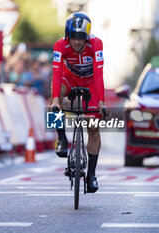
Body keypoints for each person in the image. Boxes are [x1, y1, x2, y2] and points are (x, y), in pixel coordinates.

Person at [49, 12, 106, 193]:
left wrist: (102, 102)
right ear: (68, 35)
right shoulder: (60, 45)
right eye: (73, 37)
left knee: (93, 128)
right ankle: (61, 139)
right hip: (70, 79)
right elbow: (57, 73)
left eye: (81, 37)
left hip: (90, 83)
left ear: (87, 36)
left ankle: (91, 175)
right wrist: (56, 99)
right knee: (53, 102)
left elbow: (98, 74)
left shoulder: (96, 44)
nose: (77, 42)